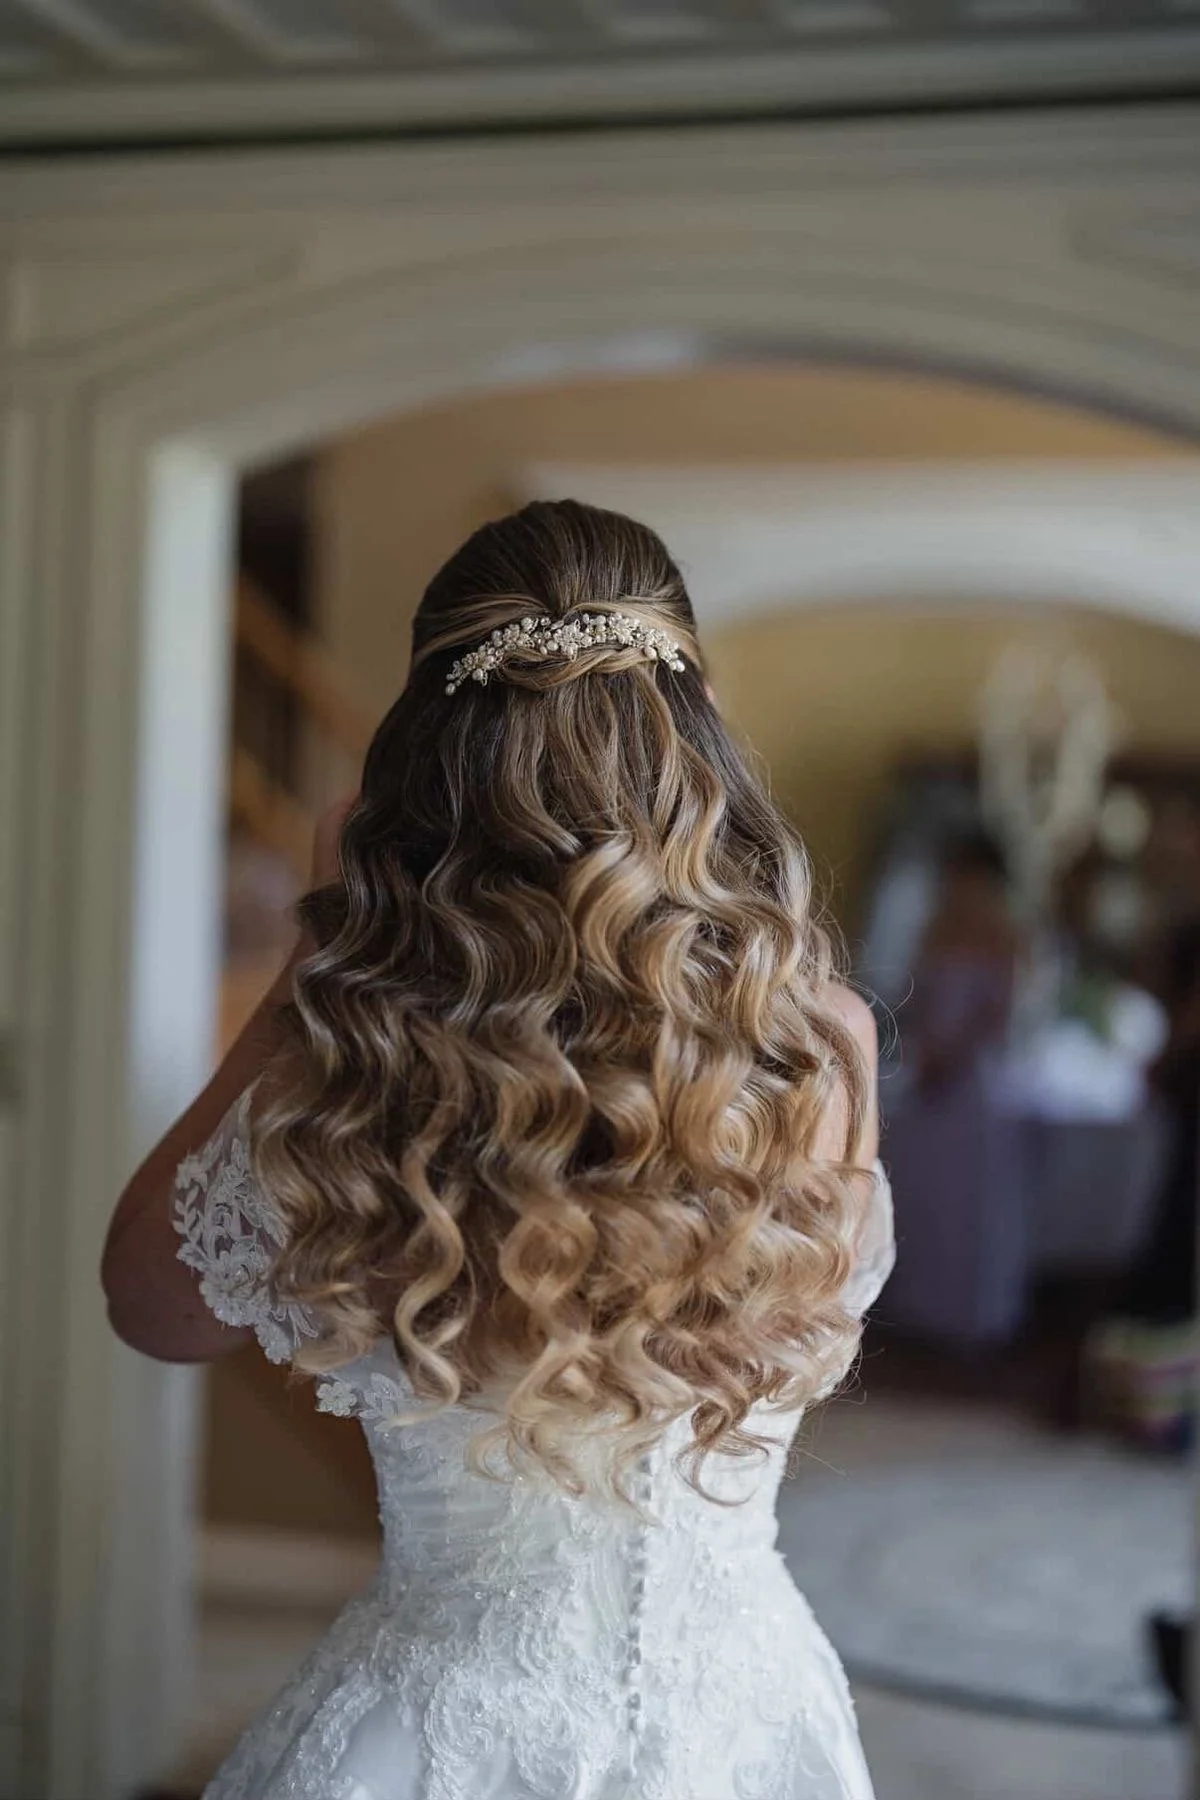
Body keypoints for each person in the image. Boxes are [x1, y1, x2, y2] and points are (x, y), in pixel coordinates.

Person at [103, 500, 892, 1800]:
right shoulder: (815, 1044)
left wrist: (318, 953)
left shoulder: (357, 1053)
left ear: (424, 753)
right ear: (690, 733)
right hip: (747, 1720)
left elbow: (149, 1307)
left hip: (433, 1733)